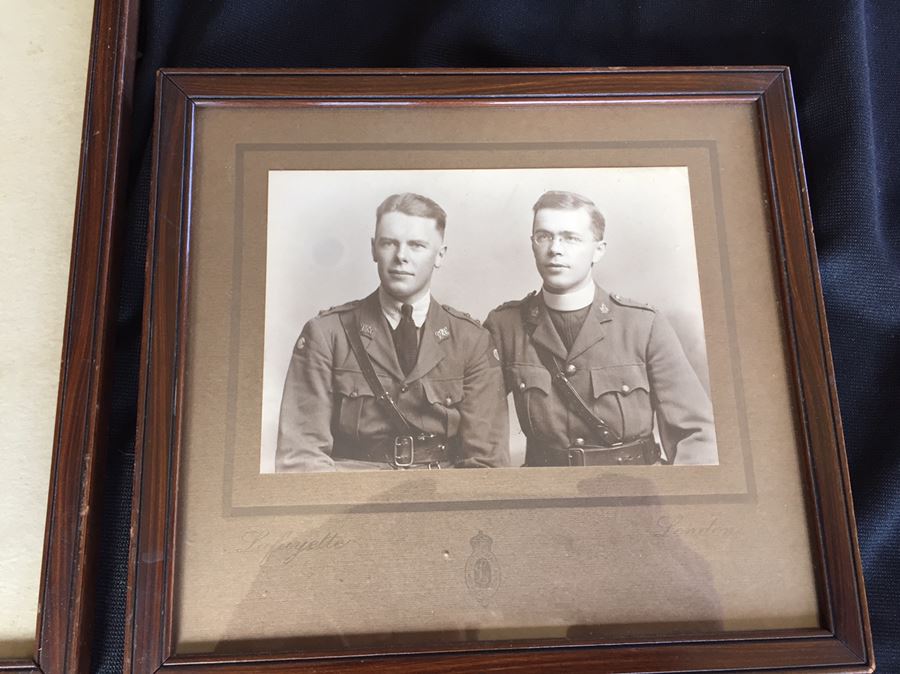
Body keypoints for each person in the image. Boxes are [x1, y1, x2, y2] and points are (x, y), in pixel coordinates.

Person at [275, 193, 509, 471]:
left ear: (440, 255)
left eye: (417, 245)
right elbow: (301, 459)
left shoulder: (471, 341)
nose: (401, 257)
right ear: (374, 249)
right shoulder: (327, 335)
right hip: (352, 498)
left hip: (441, 497)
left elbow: (487, 464)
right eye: (389, 243)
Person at [484, 190, 716, 466]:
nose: (555, 248)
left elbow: (697, 435)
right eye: (544, 236)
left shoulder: (643, 325)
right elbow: (475, 423)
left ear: (599, 249)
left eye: (571, 238)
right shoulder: (505, 326)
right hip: (546, 494)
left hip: (635, 491)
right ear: (532, 243)